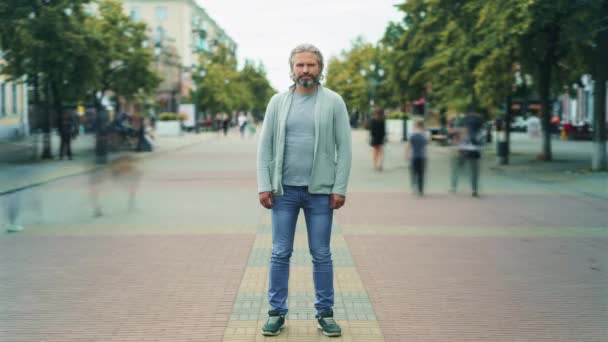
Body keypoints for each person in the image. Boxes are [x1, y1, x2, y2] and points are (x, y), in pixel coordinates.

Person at [256, 43, 352, 337]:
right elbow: (265, 147)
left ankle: (325, 314)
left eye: (311, 65)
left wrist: (340, 187)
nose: (305, 70)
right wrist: (264, 185)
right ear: (292, 69)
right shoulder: (277, 103)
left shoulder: (333, 102)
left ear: (320, 69)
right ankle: (276, 313)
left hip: (320, 193)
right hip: (283, 191)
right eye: (300, 65)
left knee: (321, 253)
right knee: (280, 252)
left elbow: (344, 148)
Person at [451, 112, 483, 197]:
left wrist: (458, 146)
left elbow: (458, 140)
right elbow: (481, 144)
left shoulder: (464, 130)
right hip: (475, 152)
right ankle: (474, 190)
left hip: (463, 151)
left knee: (456, 168)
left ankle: (454, 187)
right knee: (474, 172)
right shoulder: (479, 131)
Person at [405, 119, 428, 196]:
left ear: (416, 125)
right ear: (423, 125)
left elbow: (408, 146)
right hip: (422, 156)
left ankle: (414, 188)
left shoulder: (412, 134)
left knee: (413, 173)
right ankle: (420, 190)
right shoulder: (425, 134)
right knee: (421, 173)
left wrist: (406, 154)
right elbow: (426, 143)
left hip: (414, 156)